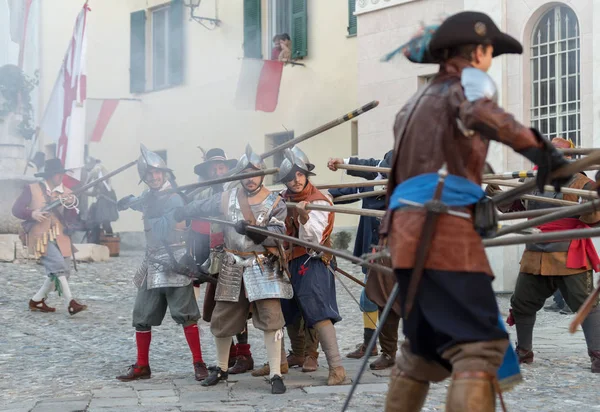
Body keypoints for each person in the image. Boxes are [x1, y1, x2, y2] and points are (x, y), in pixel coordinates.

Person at [381, 11, 572, 411]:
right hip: (443, 232)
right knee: (479, 349)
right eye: (490, 52)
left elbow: (403, 177)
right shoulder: (468, 83)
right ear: (479, 51)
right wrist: (538, 148)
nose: (490, 61)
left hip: (405, 235)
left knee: (424, 353)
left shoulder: (414, 101)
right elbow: (480, 113)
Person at [173, 146, 292, 395]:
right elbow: (202, 205)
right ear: (239, 176)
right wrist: (184, 209)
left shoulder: (276, 202)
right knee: (222, 320)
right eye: (245, 174)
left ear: (262, 174)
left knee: (272, 320)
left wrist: (253, 230)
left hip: (263, 265)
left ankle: (275, 373)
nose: (250, 178)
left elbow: (279, 235)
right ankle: (221, 368)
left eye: (254, 173)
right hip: (232, 264)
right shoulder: (226, 197)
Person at [487, 136, 600, 371]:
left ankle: (597, 354)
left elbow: (593, 218)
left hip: (568, 254)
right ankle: (524, 351)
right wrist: (498, 194)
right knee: (521, 304)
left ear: (571, 156)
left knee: (587, 305)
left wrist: (593, 205)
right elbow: (515, 208)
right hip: (535, 254)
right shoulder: (533, 180)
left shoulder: (582, 183)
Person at [115, 144, 208, 383]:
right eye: (149, 174)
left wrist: (147, 208)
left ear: (165, 174)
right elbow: (142, 201)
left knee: (186, 315)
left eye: (157, 173)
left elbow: (161, 225)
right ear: (145, 178)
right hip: (152, 261)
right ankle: (142, 365)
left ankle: (199, 362)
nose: (154, 177)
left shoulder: (174, 199)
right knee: (142, 315)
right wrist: (129, 201)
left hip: (176, 260)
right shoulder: (148, 197)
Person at [278, 147, 346, 386]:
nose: (295, 180)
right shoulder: (281, 199)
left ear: (306, 175)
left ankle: (337, 368)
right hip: (286, 260)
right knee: (283, 311)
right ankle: (284, 360)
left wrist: (304, 218)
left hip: (312, 260)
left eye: (299, 175)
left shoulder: (319, 201)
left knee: (318, 312)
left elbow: (313, 241)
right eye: (290, 176)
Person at [327, 150, 398, 370]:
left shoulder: (410, 185)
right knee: (372, 297)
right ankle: (372, 344)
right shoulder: (373, 179)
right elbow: (364, 168)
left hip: (400, 253)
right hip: (373, 252)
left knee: (401, 303)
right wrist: (327, 193)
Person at [191, 147, 255, 375]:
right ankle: (230, 356)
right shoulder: (202, 192)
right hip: (214, 256)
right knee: (215, 310)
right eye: (213, 169)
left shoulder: (235, 190)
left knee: (235, 308)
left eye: (221, 167)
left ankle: (244, 355)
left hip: (235, 254)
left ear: (228, 169)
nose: (217, 172)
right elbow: (193, 215)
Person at [13, 158, 87, 316]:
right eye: (58, 174)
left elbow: (71, 217)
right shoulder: (31, 189)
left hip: (61, 236)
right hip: (39, 236)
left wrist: (72, 203)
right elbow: (16, 209)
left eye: (61, 173)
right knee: (58, 266)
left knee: (62, 272)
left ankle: (37, 300)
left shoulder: (67, 192)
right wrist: (32, 213)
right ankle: (70, 303)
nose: (61, 176)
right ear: (50, 175)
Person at [82, 157, 119, 245]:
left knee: (105, 221)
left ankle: (110, 243)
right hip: (103, 199)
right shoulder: (98, 180)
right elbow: (94, 192)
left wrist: (84, 188)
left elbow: (90, 184)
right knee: (98, 221)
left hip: (106, 200)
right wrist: (84, 192)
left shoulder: (98, 170)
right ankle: (98, 241)